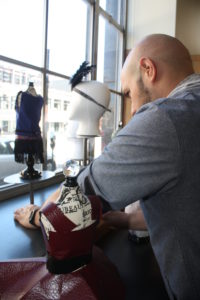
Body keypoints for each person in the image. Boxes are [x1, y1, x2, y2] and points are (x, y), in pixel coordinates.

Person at [14, 33, 200, 300]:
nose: (133, 109)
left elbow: (78, 192)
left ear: (148, 69)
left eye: (128, 94)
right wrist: (122, 219)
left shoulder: (166, 117)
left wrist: (37, 216)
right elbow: (186, 204)